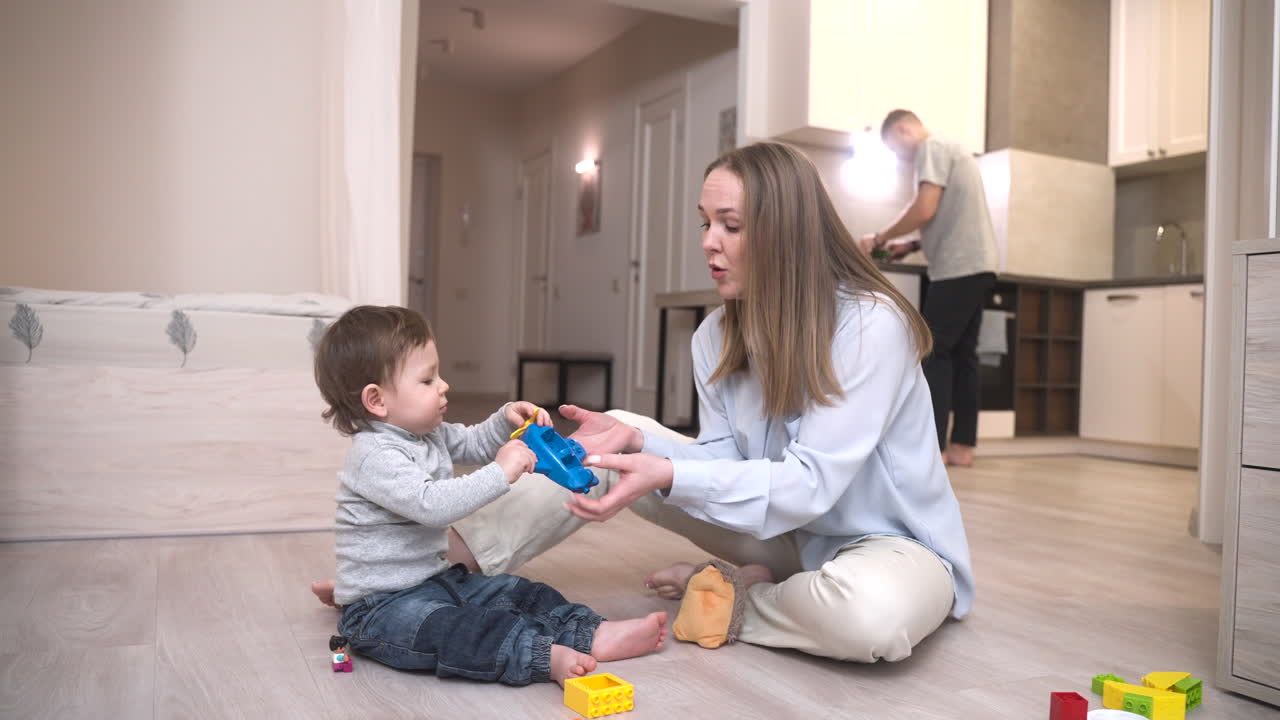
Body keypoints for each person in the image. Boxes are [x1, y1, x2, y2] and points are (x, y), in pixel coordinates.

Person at [444, 142, 975, 663]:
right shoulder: (717, 336)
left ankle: (735, 598)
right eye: (706, 223)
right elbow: (724, 459)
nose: (708, 242)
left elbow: (811, 484)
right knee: (614, 435)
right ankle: (440, 564)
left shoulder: (871, 325)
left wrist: (669, 472)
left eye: (731, 226)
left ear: (787, 233)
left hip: (892, 547)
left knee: (868, 618)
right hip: (787, 534)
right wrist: (641, 444)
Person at [310, 305, 666, 686]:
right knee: (459, 631)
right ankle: (541, 656)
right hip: (381, 607)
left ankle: (591, 633)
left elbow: (473, 442)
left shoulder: (426, 435)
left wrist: (505, 420)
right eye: (427, 380)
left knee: (519, 592)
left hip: (435, 580)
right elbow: (432, 505)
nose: (443, 385)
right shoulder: (375, 456)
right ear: (377, 400)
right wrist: (501, 472)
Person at [857, 109, 998, 467]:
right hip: (979, 264)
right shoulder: (954, 149)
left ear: (904, 130)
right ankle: (962, 447)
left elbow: (925, 208)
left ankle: (932, 448)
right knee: (964, 357)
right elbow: (952, 216)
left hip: (956, 268)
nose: (900, 157)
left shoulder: (931, 148)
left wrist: (881, 237)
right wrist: (911, 245)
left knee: (933, 351)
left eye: (894, 148)